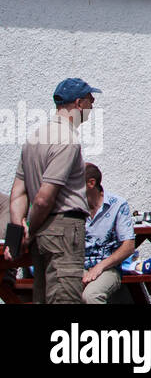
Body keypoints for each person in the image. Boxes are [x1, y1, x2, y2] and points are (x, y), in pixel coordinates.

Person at [6, 78, 97, 303]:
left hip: (42, 231)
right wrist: (29, 230)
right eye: (91, 100)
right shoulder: (67, 139)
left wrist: (18, 234)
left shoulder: (33, 138)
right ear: (79, 103)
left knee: (43, 298)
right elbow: (44, 198)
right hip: (62, 229)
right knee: (65, 300)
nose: (93, 107)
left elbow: (18, 193)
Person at [82, 162, 135, 303]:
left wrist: (99, 267)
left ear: (91, 183)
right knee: (63, 293)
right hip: (77, 267)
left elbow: (128, 247)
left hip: (107, 268)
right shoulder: (73, 206)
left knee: (91, 296)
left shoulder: (117, 205)